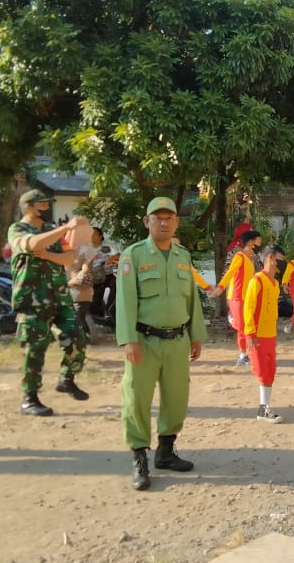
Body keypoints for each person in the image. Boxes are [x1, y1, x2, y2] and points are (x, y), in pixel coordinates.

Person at [116, 197, 206, 491]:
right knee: (137, 399)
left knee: (177, 398)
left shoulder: (183, 255)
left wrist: (196, 335)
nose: (164, 222)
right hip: (144, 340)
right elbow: (126, 302)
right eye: (158, 218)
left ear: (177, 222)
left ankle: (165, 453)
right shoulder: (134, 255)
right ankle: (139, 458)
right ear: (147, 222)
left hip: (177, 341)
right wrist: (129, 340)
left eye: (169, 217)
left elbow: (191, 298)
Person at [8, 189, 90, 417]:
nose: (46, 208)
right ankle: (29, 398)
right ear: (28, 206)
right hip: (32, 300)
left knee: (77, 337)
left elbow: (69, 257)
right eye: (42, 204)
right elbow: (32, 245)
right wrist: (66, 227)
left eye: (47, 204)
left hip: (59, 296)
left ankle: (66, 379)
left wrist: (47, 255)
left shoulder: (51, 231)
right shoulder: (17, 229)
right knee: (35, 349)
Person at [244, 244, 287, 424]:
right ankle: (264, 408)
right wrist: (250, 333)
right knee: (262, 370)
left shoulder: (275, 283)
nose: (282, 265)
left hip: (270, 335)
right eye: (280, 260)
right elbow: (249, 308)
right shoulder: (257, 281)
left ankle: (264, 407)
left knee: (270, 370)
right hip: (258, 335)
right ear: (270, 258)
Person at [210, 230, 262, 366]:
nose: (260, 244)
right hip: (236, 297)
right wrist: (220, 287)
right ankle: (243, 356)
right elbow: (230, 272)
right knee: (243, 327)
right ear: (251, 242)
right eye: (258, 241)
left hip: (247, 298)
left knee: (248, 326)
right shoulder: (239, 256)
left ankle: (247, 354)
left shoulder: (251, 259)